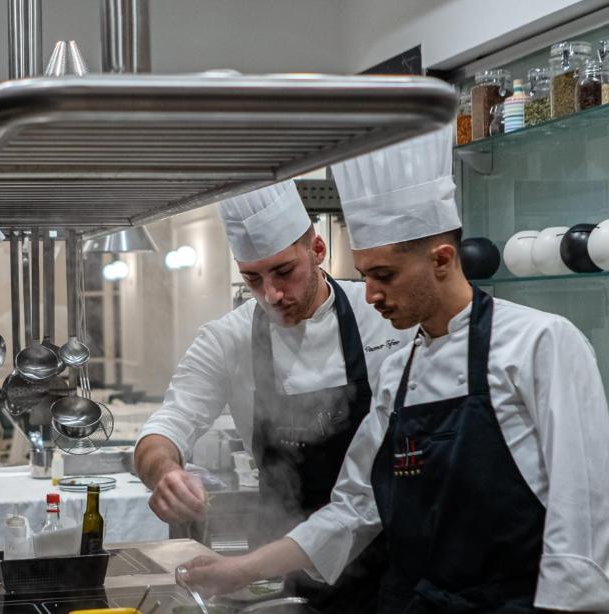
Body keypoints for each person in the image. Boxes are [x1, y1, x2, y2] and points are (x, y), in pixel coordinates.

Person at [178, 127, 609, 612]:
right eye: (365, 276)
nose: (370, 295)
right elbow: (353, 509)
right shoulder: (399, 372)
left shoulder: (541, 343)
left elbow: (583, 507)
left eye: (384, 276)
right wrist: (239, 570)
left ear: (442, 259)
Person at [134, 180, 413, 611]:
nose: (272, 295)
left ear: (317, 250)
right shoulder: (227, 338)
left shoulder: (380, 314)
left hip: (394, 548)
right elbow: (167, 426)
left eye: (284, 272)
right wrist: (164, 472)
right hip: (283, 556)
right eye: (253, 278)